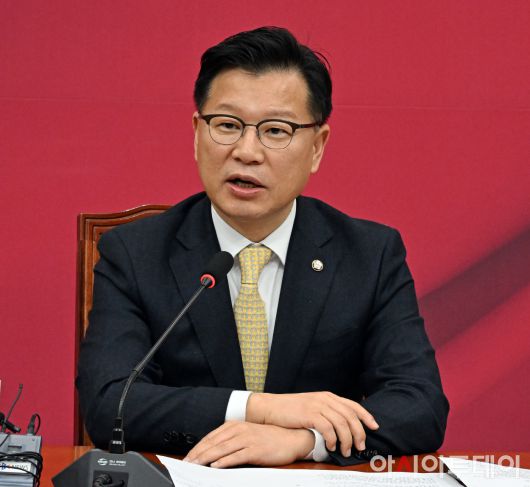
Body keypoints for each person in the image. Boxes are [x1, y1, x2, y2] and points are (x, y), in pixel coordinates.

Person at [77, 26, 449, 468]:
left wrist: (305, 441)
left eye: (276, 130)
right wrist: (262, 409)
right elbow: (110, 404)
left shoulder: (369, 255)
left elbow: (419, 404)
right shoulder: (135, 254)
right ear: (197, 133)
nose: (247, 151)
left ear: (317, 147)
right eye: (227, 125)